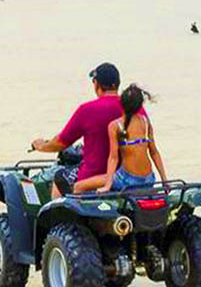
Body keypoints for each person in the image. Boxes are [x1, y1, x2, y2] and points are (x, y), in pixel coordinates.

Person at [30, 63, 135, 198]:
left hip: (91, 177)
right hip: (127, 175)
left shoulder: (87, 110)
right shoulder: (133, 107)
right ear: (118, 84)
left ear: (96, 84)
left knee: (60, 177)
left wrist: (41, 145)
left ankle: (55, 217)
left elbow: (60, 142)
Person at [85, 84, 168, 193]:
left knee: (80, 186)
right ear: (140, 105)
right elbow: (154, 153)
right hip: (149, 179)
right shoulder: (146, 122)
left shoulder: (115, 126)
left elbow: (113, 158)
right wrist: (164, 180)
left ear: (121, 103)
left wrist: (107, 185)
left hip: (127, 180)